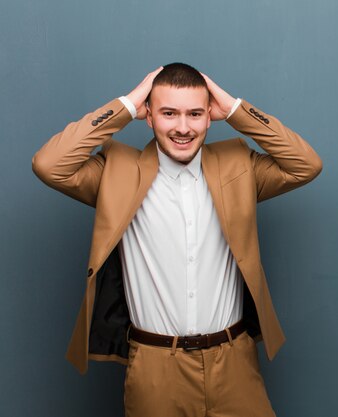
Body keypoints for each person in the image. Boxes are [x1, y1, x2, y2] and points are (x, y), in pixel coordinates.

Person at [32, 63, 322, 417]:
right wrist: (126, 105)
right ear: (150, 116)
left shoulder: (239, 166)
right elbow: (50, 165)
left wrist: (234, 109)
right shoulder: (117, 172)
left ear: (209, 117)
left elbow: (305, 165)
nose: (183, 127)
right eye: (169, 113)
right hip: (155, 368)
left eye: (195, 114)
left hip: (233, 362)